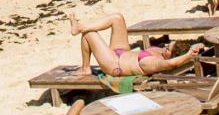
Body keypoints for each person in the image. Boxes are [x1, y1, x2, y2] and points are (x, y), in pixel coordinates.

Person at [69, 12, 204, 76]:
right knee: (117, 18)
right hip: (121, 52)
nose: (165, 47)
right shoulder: (162, 53)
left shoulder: (155, 63)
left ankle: (85, 67)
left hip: (114, 64)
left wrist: (187, 56)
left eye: (168, 49)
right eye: (168, 44)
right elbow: (194, 47)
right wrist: (196, 47)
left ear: (173, 56)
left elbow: (173, 64)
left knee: (89, 34)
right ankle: (82, 26)